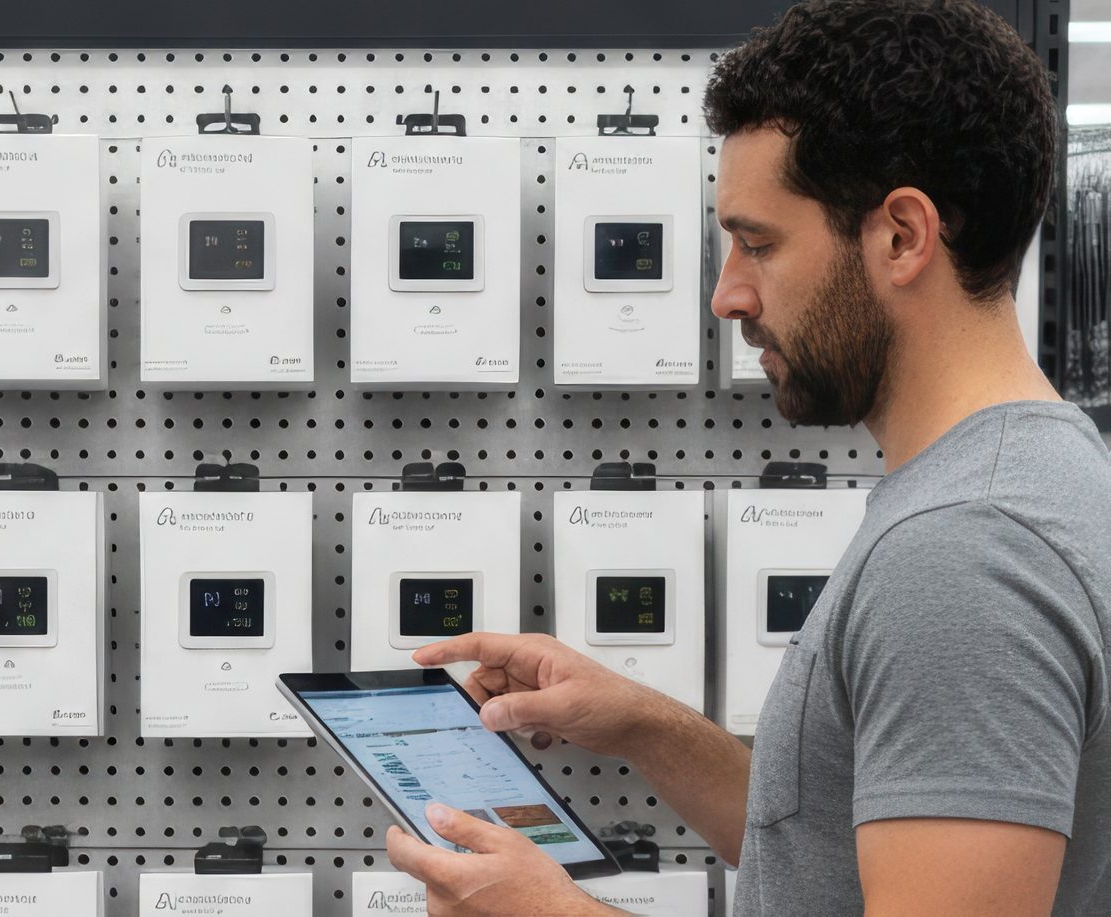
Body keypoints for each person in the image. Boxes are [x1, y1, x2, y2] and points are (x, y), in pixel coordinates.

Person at [384, 1, 1111, 914]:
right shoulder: (1019, 477)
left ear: (902, 236)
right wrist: (646, 724)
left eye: (759, 243)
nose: (728, 294)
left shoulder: (965, 553)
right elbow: (829, 857)